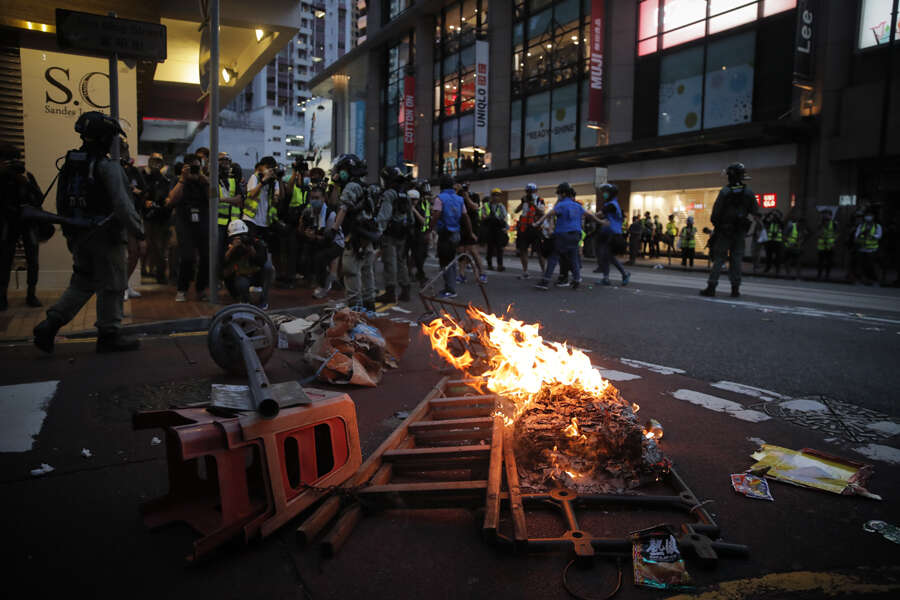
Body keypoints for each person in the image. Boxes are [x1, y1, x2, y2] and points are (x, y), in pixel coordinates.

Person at [33, 111, 144, 353]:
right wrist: (139, 232)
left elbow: (61, 201)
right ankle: (109, 335)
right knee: (113, 284)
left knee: (82, 282)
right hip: (106, 237)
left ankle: (51, 324)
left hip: (78, 235)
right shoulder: (107, 166)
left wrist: (70, 232)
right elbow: (123, 206)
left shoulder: (71, 164)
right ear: (104, 137)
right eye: (113, 136)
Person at [700, 162, 759, 298]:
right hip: (740, 232)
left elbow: (715, 214)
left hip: (724, 231)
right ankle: (735, 289)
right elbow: (755, 211)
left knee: (719, 259)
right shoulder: (748, 192)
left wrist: (718, 227)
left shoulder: (725, 192)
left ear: (730, 176)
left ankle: (712, 287)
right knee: (736, 259)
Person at [328, 153, 378, 310]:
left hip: (355, 237)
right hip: (366, 237)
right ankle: (370, 308)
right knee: (367, 271)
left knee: (351, 272)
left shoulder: (351, 187)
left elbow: (342, 208)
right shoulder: (365, 187)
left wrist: (333, 229)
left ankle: (355, 309)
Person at [533, 183, 602, 290]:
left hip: (562, 234)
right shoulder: (577, 205)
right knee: (573, 257)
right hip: (576, 234)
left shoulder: (561, 205)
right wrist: (601, 221)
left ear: (563, 193)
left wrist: (537, 223)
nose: (558, 195)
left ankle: (545, 281)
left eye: (559, 193)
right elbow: (590, 215)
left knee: (554, 256)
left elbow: (548, 214)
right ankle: (577, 280)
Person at [0, 144, 44, 310]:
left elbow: (39, 199)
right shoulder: (2, 177)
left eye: (17, 158)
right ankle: (2, 296)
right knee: (5, 259)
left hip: (28, 222)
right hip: (8, 222)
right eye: (10, 159)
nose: (15, 162)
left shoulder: (26, 176)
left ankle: (31, 294)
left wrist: (25, 181)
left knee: (33, 259)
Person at [166, 153, 211, 302]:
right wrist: (183, 179)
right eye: (191, 167)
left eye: (196, 167)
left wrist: (204, 179)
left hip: (203, 220)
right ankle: (182, 289)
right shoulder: (179, 180)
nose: (194, 170)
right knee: (187, 257)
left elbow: (215, 197)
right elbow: (171, 199)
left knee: (206, 257)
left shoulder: (204, 180)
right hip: (184, 221)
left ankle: (200, 289)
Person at [431, 174, 473, 298]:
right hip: (456, 234)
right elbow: (466, 217)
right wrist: (470, 232)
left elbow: (437, 215)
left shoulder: (440, 198)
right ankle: (451, 286)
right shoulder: (459, 199)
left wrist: (429, 229)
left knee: (445, 262)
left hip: (445, 234)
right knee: (452, 260)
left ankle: (450, 289)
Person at [375, 166, 413, 303]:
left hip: (390, 233)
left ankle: (390, 293)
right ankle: (405, 291)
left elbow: (384, 215)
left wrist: (374, 223)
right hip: (402, 232)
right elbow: (411, 216)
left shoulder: (389, 194)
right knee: (402, 261)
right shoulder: (405, 194)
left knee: (389, 262)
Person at [221, 219, 275, 308]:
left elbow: (262, 261)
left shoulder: (255, 243)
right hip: (243, 276)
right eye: (236, 237)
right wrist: (232, 249)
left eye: (242, 236)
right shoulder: (229, 246)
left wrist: (251, 251)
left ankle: (263, 299)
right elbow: (223, 266)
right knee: (241, 284)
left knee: (268, 267)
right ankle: (245, 301)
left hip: (258, 275)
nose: (240, 239)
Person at [140, 153, 172, 284]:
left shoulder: (166, 179)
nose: (156, 164)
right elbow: (141, 194)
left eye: (159, 161)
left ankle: (160, 274)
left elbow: (165, 198)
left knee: (159, 247)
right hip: (146, 216)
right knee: (145, 245)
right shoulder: (144, 177)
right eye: (154, 161)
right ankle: (144, 270)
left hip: (161, 217)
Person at [309, 185, 345, 299]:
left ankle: (324, 286)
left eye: (317, 198)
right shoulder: (311, 211)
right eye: (312, 198)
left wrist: (314, 237)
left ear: (323, 198)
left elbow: (329, 238)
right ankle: (326, 280)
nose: (314, 201)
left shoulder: (330, 214)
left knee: (320, 257)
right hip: (323, 240)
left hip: (336, 243)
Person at [595, 183, 630, 286]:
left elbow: (599, 214)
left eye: (606, 192)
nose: (604, 194)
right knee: (607, 256)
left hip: (613, 235)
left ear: (611, 193)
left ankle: (623, 274)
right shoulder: (612, 204)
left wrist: (586, 214)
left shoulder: (611, 205)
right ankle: (608, 277)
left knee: (608, 256)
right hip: (610, 234)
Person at [215, 152, 243, 280]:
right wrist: (227, 199)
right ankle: (218, 278)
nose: (225, 163)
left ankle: (228, 278)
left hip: (233, 223)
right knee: (219, 252)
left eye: (227, 161)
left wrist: (222, 199)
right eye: (222, 160)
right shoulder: (212, 178)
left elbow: (239, 199)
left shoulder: (233, 180)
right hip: (218, 222)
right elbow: (212, 199)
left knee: (233, 252)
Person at [244, 157, 281, 241]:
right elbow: (251, 194)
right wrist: (263, 181)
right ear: (261, 167)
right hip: (251, 218)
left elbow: (278, 197)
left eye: (271, 168)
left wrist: (279, 180)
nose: (269, 171)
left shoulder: (274, 181)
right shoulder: (255, 177)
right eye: (267, 168)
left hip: (265, 221)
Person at [514, 182, 545, 279]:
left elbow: (542, 212)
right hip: (524, 229)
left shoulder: (540, 200)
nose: (529, 193)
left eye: (531, 191)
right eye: (528, 191)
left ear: (536, 191)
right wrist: (523, 202)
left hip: (535, 228)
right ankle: (525, 271)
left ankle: (544, 272)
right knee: (523, 250)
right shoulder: (524, 200)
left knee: (540, 252)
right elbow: (516, 211)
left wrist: (534, 205)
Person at [457, 185, 487, 284]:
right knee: (462, 251)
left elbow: (475, 207)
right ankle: (461, 275)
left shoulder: (474, 196)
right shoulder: (457, 196)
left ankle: (482, 273)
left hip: (472, 227)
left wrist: (466, 197)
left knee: (473, 251)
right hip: (461, 227)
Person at [408, 181, 432, 285]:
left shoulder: (425, 203)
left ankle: (412, 272)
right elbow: (421, 220)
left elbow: (427, 218)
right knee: (418, 256)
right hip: (416, 233)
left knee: (421, 255)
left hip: (423, 232)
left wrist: (429, 231)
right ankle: (420, 275)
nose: (427, 196)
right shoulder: (415, 204)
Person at [854, 209, 882, 285]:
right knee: (860, 266)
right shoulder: (861, 226)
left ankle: (874, 280)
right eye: (867, 215)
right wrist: (863, 232)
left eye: (870, 215)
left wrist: (870, 234)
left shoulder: (877, 226)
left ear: (873, 217)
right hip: (862, 249)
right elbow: (856, 236)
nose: (868, 217)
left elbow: (879, 236)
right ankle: (860, 280)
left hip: (872, 250)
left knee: (871, 266)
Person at [484, 188, 509, 272]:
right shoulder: (487, 205)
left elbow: (504, 217)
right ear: (492, 196)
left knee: (499, 248)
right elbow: (483, 215)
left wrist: (505, 227)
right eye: (495, 195)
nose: (496, 197)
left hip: (498, 229)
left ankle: (500, 265)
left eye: (498, 195)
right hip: (490, 228)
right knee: (490, 247)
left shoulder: (501, 206)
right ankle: (489, 264)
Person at [815, 210, 837, 280]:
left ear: (831, 216)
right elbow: (817, 233)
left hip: (830, 245)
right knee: (820, 261)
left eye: (827, 214)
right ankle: (819, 274)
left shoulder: (834, 224)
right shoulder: (820, 224)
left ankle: (827, 275)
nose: (825, 216)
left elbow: (837, 233)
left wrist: (834, 241)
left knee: (829, 261)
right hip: (821, 245)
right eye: (824, 214)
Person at [762, 210, 784, 276]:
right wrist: (769, 214)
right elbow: (764, 221)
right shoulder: (770, 222)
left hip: (777, 242)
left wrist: (777, 217)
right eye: (774, 216)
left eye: (776, 216)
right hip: (770, 241)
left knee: (778, 257)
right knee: (768, 256)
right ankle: (767, 268)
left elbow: (782, 225)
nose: (774, 217)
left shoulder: (780, 223)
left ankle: (777, 269)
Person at [782, 215, 803, 279]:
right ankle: (788, 274)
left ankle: (798, 275)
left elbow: (802, 237)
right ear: (798, 222)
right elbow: (784, 236)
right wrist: (788, 242)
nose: (801, 225)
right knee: (787, 261)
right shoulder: (791, 226)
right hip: (789, 247)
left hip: (796, 248)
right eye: (800, 223)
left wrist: (799, 243)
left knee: (798, 261)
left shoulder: (801, 228)